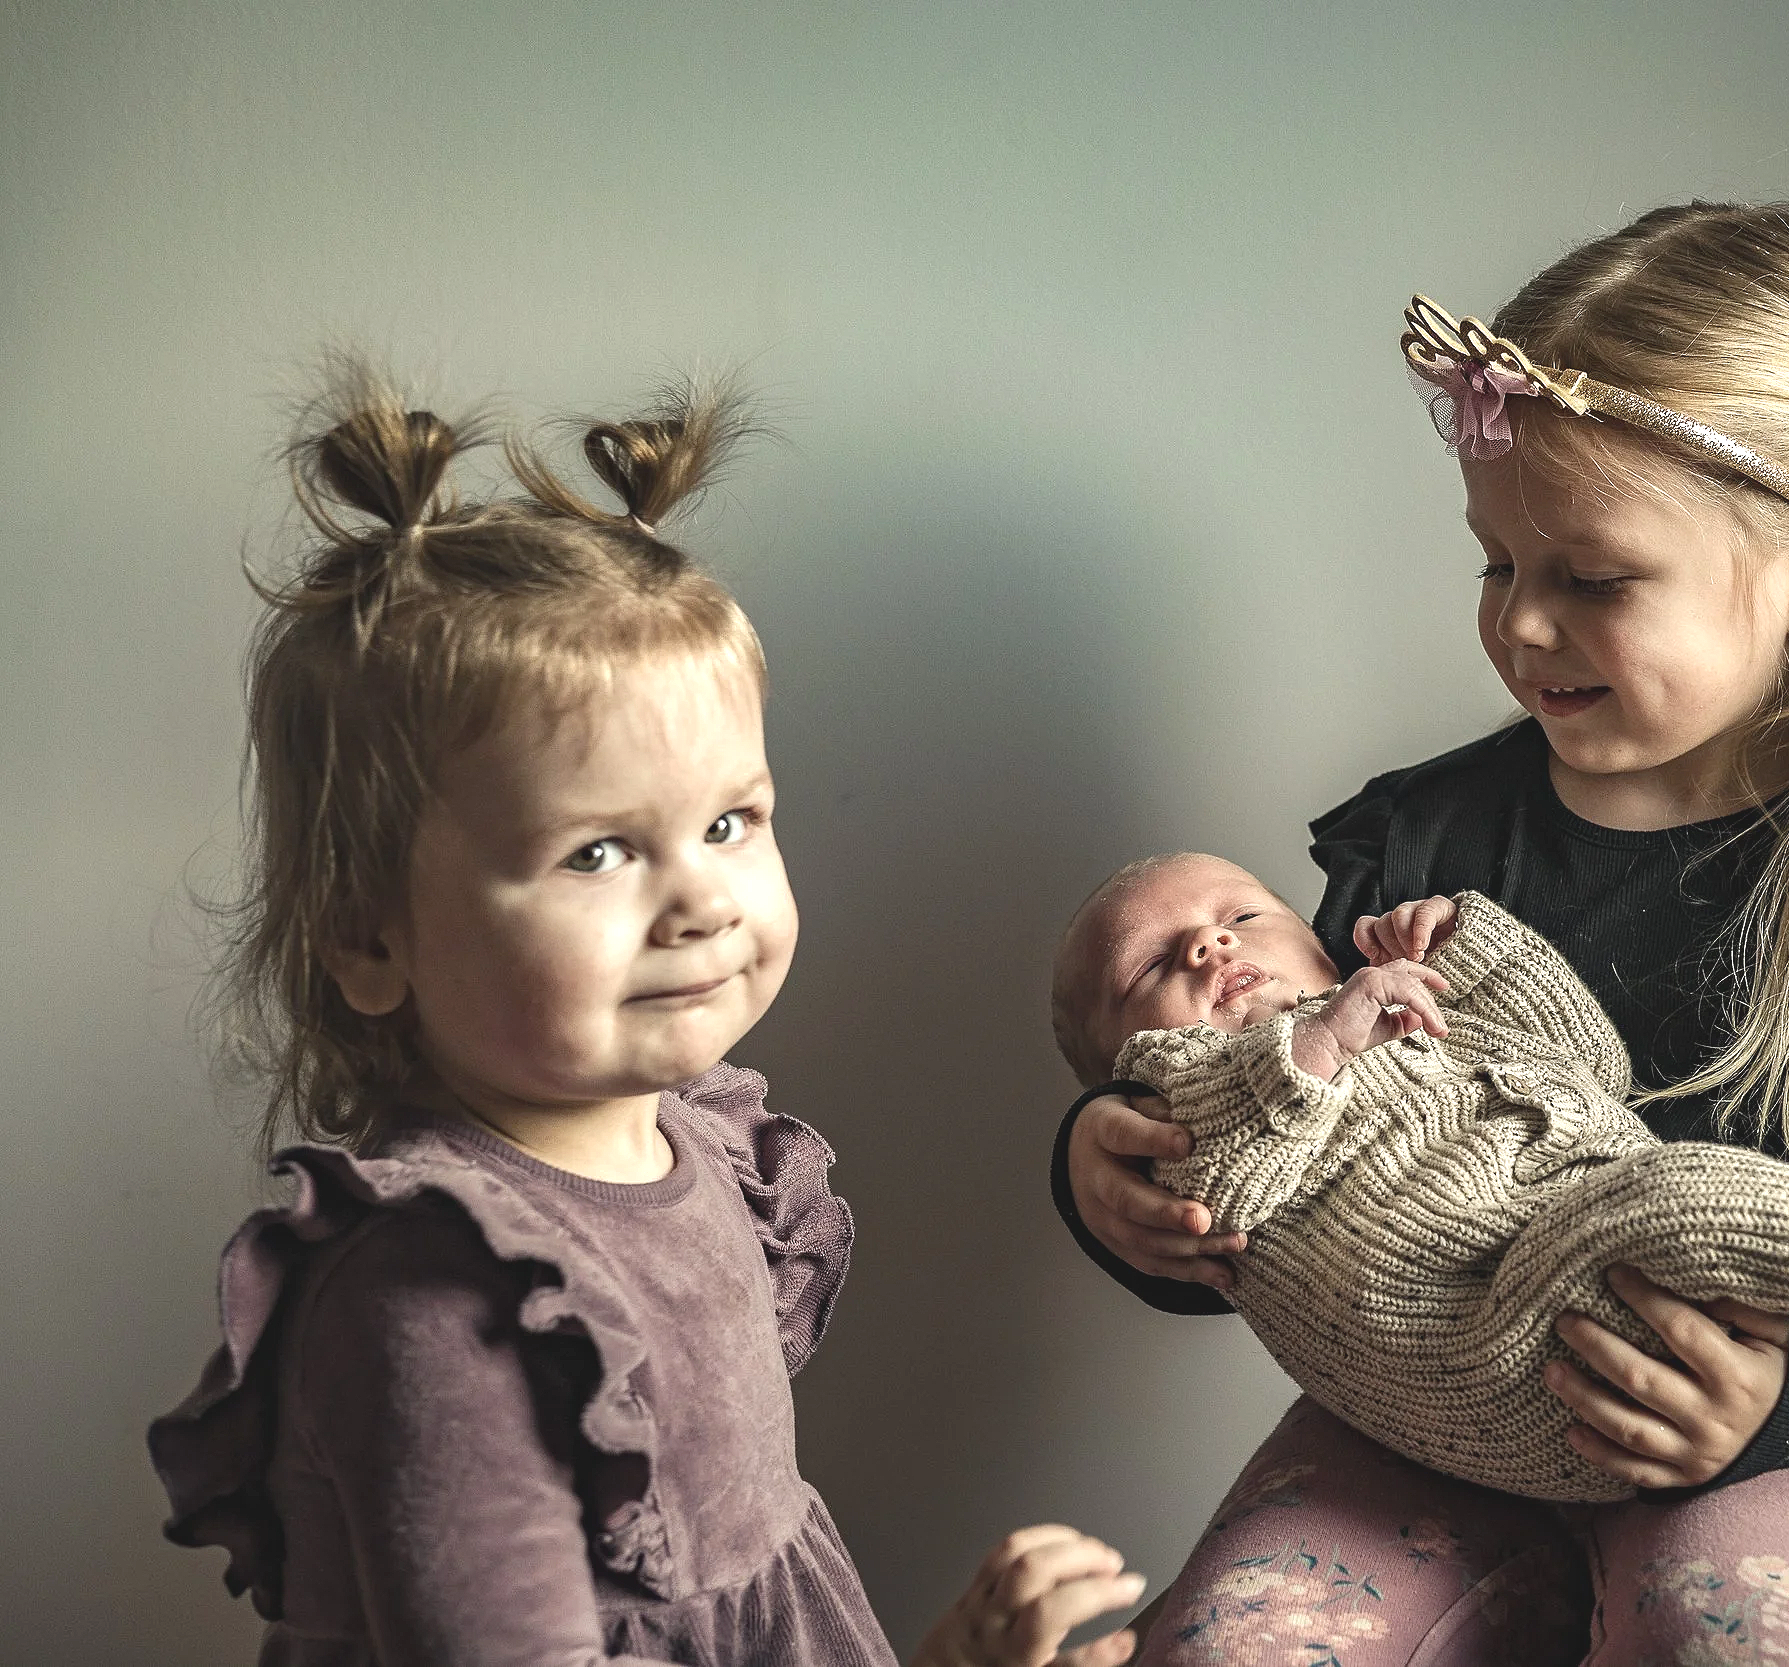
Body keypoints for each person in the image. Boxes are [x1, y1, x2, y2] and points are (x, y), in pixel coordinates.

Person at [1050, 202, 1789, 1664]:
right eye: (1497, 564)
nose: (1522, 625)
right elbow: (1282, 1143)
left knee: (1735, 1643)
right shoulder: (1418, 843)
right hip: (1425, 1408)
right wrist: (1106, 1174)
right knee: (1234, 1645)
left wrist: (1780, 1407)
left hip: (1756, 1443)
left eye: (1593, 577)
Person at [150, 367, 1145, 1667]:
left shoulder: (703, 1143)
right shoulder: (444, 1301)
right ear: (369, 938)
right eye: (598, 851)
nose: (702, 901)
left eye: (730, 822)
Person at [1050, 854, 1789, 1501]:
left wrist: (1475, 950)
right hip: (1501, 1343)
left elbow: (1589, 1064)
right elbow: (1222, 1181)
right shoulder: (1185, 1092)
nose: (1209, 947)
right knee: (1675, 1193)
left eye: (1240, 916)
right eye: (1152, 963)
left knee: (1744, 1207)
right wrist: (1311, 1043)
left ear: (1317, 941)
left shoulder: (1402, 1009)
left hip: (1623, 1286)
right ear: (1122, 1062)